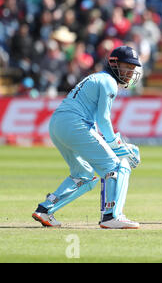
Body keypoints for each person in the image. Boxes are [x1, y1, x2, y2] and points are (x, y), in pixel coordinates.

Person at [32, 46, 142, 229]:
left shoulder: (97, 77)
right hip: (76, 124)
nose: (130, 72)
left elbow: (97, 122)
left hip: (58, 124)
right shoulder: (108, 82)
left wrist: (112, 143)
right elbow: (103, 119)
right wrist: (116, 145)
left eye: (133, 69)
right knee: (116, 165)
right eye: (126, 67)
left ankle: (45, 209)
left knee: (83, 174)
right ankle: (112, 216)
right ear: (114, 64)